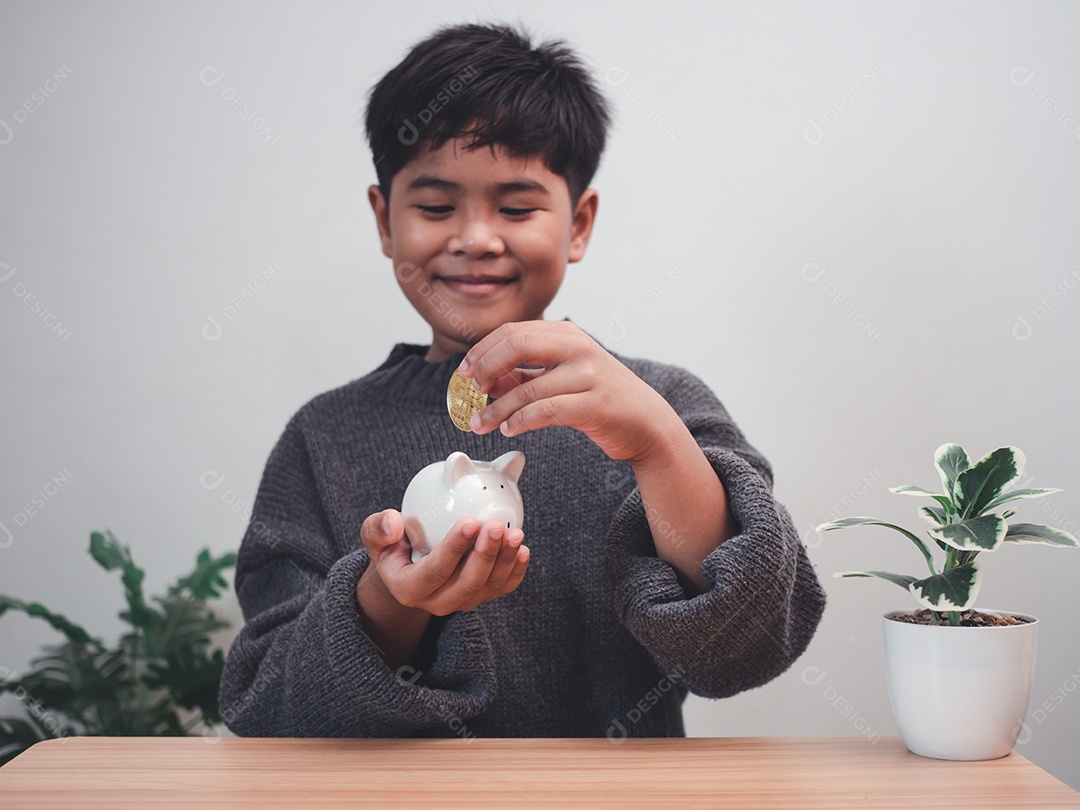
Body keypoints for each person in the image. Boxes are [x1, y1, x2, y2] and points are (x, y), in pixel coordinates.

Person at [219, 21, 826, 739]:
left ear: (579, 223)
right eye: (436, 206)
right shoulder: (325, 437)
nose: (476, 238)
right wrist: (393, 597)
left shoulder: (663, 405)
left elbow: (749, 648)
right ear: (385, 221)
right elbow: (269, 707)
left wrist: (657, 444)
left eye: (516, 206)